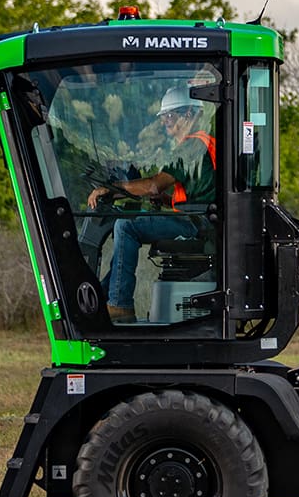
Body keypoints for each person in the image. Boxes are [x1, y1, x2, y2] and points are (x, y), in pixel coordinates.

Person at [92, 83, 217, 323]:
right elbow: (201, 194)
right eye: (164, 116)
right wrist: (167, 200)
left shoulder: (192, 145)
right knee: (128, 226)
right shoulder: (205, 143)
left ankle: (119, 305)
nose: (164, 121)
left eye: (170, 115)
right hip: (200, 219)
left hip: (195, 224)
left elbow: (152, 185)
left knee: (125, 226)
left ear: (188, 114)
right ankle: (102, 297)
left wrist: (113, 188)